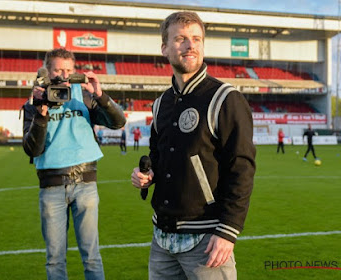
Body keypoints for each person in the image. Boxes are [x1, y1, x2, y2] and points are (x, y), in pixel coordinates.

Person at [131, 12, 256, 279]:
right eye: (181, 39)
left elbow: (242, 169)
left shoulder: (226, 99)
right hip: (162, 239)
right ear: (164, 48)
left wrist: (228, 230)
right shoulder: (160, 103)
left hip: (207, 241)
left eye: (196, 39)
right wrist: (147, 175)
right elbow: (158, 157)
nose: (190, 45)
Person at [22, 48, 126, 280]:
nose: (64, 75)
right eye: (58, 70)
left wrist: (100, 96)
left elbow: (118, 122)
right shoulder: (34, 101)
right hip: (51, 187)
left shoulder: (85, 95)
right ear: (47, 72)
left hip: (85, 183)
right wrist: (41, 113)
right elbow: (32, 149)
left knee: (91, 256)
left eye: (69, 70)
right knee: (54, 259)